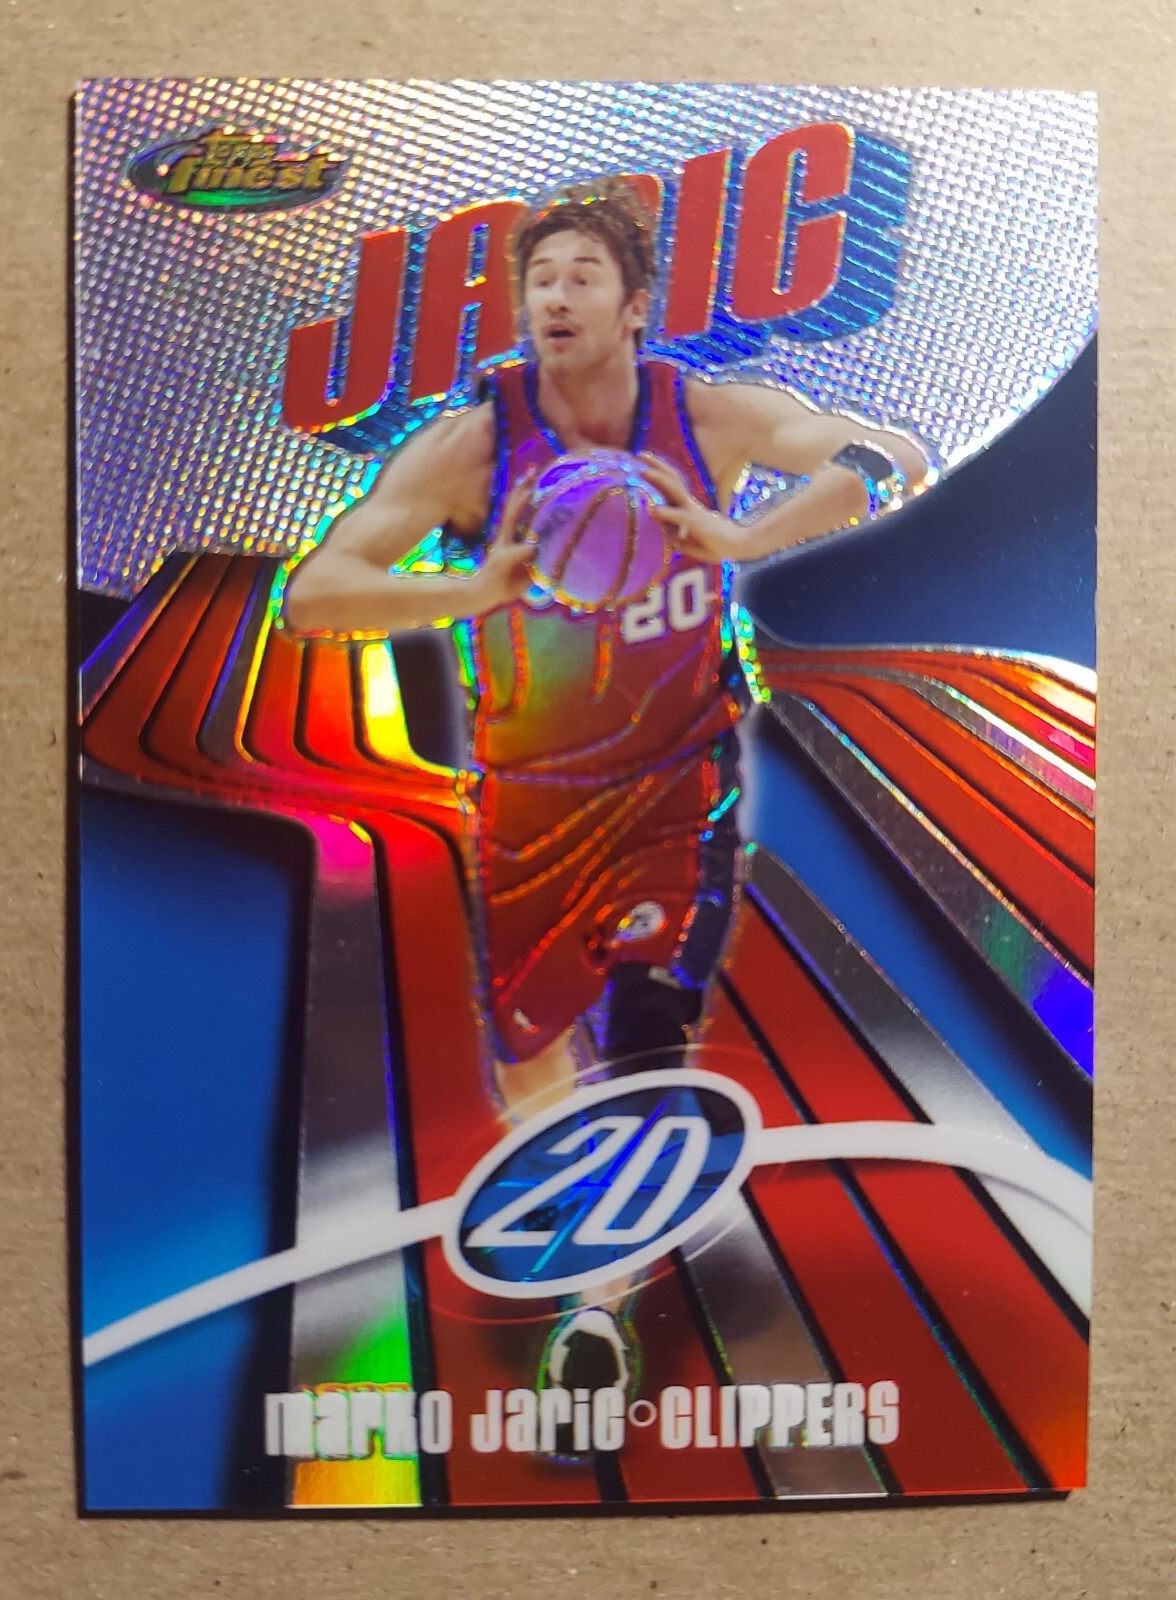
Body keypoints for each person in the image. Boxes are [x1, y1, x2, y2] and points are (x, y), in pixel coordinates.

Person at [283, 178, 932, 1416]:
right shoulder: (475, 447)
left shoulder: (707, 415)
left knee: (642, 1033)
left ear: (635, 306)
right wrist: (467, 593)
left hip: (675, 786)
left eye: (582, 276)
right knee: (533, 1061)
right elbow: (316, 595)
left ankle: (596, 1310)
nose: (555, 296)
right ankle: (588, 1249)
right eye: (540, 279)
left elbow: (887, 455)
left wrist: (746, 539)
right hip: (528, 802)